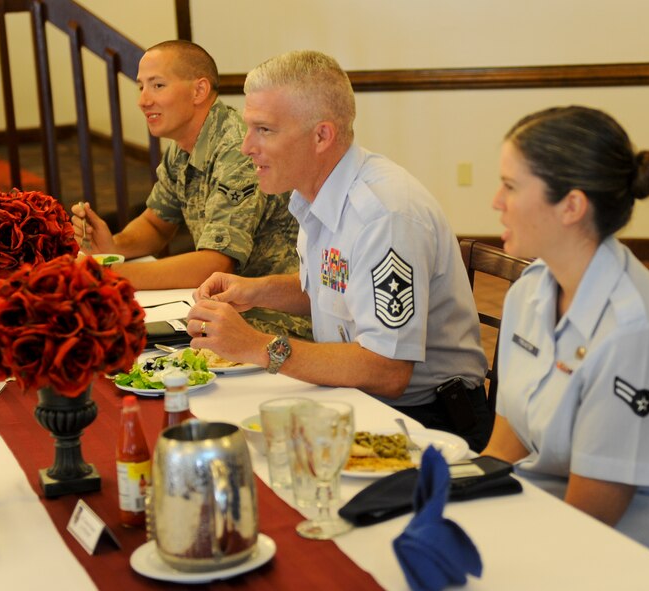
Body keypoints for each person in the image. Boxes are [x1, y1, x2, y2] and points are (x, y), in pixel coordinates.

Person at [185, 50, 491, 451]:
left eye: (264, 130)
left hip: (427, 423)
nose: (246, 147)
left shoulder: (384, 215)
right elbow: (337, 289)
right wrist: (255, 290)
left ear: (321, 136)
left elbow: (389, 370)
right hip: (360, 399)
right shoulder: (317, 193)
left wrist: (258, 347)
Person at [481, 105, 649, 574]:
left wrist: (490, 549)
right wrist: (448, 496)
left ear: (571, 205)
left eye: (510, 186)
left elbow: (592, 518)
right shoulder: (530, 291)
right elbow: (508, 442)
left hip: (630, 561)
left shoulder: (636, 334)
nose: (495, 201)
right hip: (541, 516)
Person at [71, 40, 309, 339]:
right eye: (141, 87)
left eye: (157, 85)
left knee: (111, 336)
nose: (143, 100)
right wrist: (115, 247)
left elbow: (213, 263)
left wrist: (109, 275)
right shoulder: (182, 148)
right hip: (228, 306)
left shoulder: (237, 148)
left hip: (278, 318)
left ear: (199, 91)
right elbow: (156, 224)